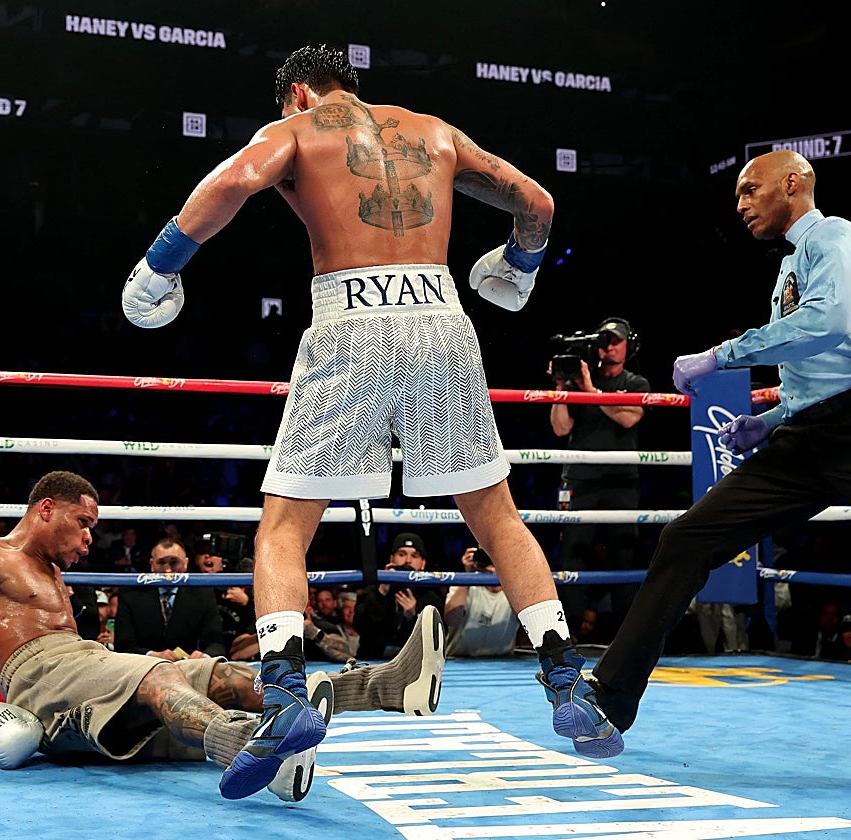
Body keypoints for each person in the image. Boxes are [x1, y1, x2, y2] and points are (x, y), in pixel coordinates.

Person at [120, 43, 620, 776]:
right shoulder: (434, 129)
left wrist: (157, 266)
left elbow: (232, 182)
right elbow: (538, 203)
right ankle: (566, 674)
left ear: (296, 93)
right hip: (443, 320)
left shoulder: (296, 128)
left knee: (286, 526)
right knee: (495, 514)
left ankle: (286, 692)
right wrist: (519, 264)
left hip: (351, 322)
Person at [0, 471, 447, 803]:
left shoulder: (52, 573)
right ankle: (254, 747)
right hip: (42, 677)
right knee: (161, 676)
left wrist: (0, 696)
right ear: (46, 509)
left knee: (220, 677)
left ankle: (386, 687)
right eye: (82, 522)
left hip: (83, 670)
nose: (89, 538)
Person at [590, 149, 851, 734]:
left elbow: (829, 324)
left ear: (793, 183)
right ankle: (609, 698)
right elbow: (830, 366)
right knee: (686, 537)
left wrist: (719, 357)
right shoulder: (792, 263)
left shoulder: (833, 239)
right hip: (807, 440)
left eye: (750, 190)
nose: (740, 204)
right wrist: (774, 418)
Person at [549, 316, 650, 641]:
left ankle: (626, 637)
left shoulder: (636, 383)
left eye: (615, 341)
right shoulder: (578, 383)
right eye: (604, 341)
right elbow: (560, 428)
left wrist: (590, 391)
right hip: (579, 480)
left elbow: (630, 418)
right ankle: (570, 635)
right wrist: (562, 387)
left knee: (624, 554)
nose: (608, 347)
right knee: (573, 552)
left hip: (621, 481)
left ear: (628, 345)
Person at [113, 537, 226, 660]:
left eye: (174, 562)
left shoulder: (203, 594)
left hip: (189, 669)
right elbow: (123, 645)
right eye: (161, 563)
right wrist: (151, 655)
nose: (168, 570)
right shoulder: (131, 595)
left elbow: (216, 643)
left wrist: (204, 656)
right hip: (142, 670)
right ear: (152, 565)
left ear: (185, 564)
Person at [355, 533, 445, 660]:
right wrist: (381, 594)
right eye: (402, 554)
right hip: (372, 661)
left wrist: (414, 617)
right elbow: (360, 627)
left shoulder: (431, 598)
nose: (408, 560)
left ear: (423, 563)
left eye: (415, 556)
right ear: (392, 559)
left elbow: (436, 640)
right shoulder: (373, 591)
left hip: (413, 664)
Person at [443, 546, 520, 658]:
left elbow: (525, 620)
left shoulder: (515, 590)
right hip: (459, 659)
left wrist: (505, 573)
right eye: (488, 555)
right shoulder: (464, 584)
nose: (491, 561)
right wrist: (468, 576)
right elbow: (451, 620)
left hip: (502, 662)